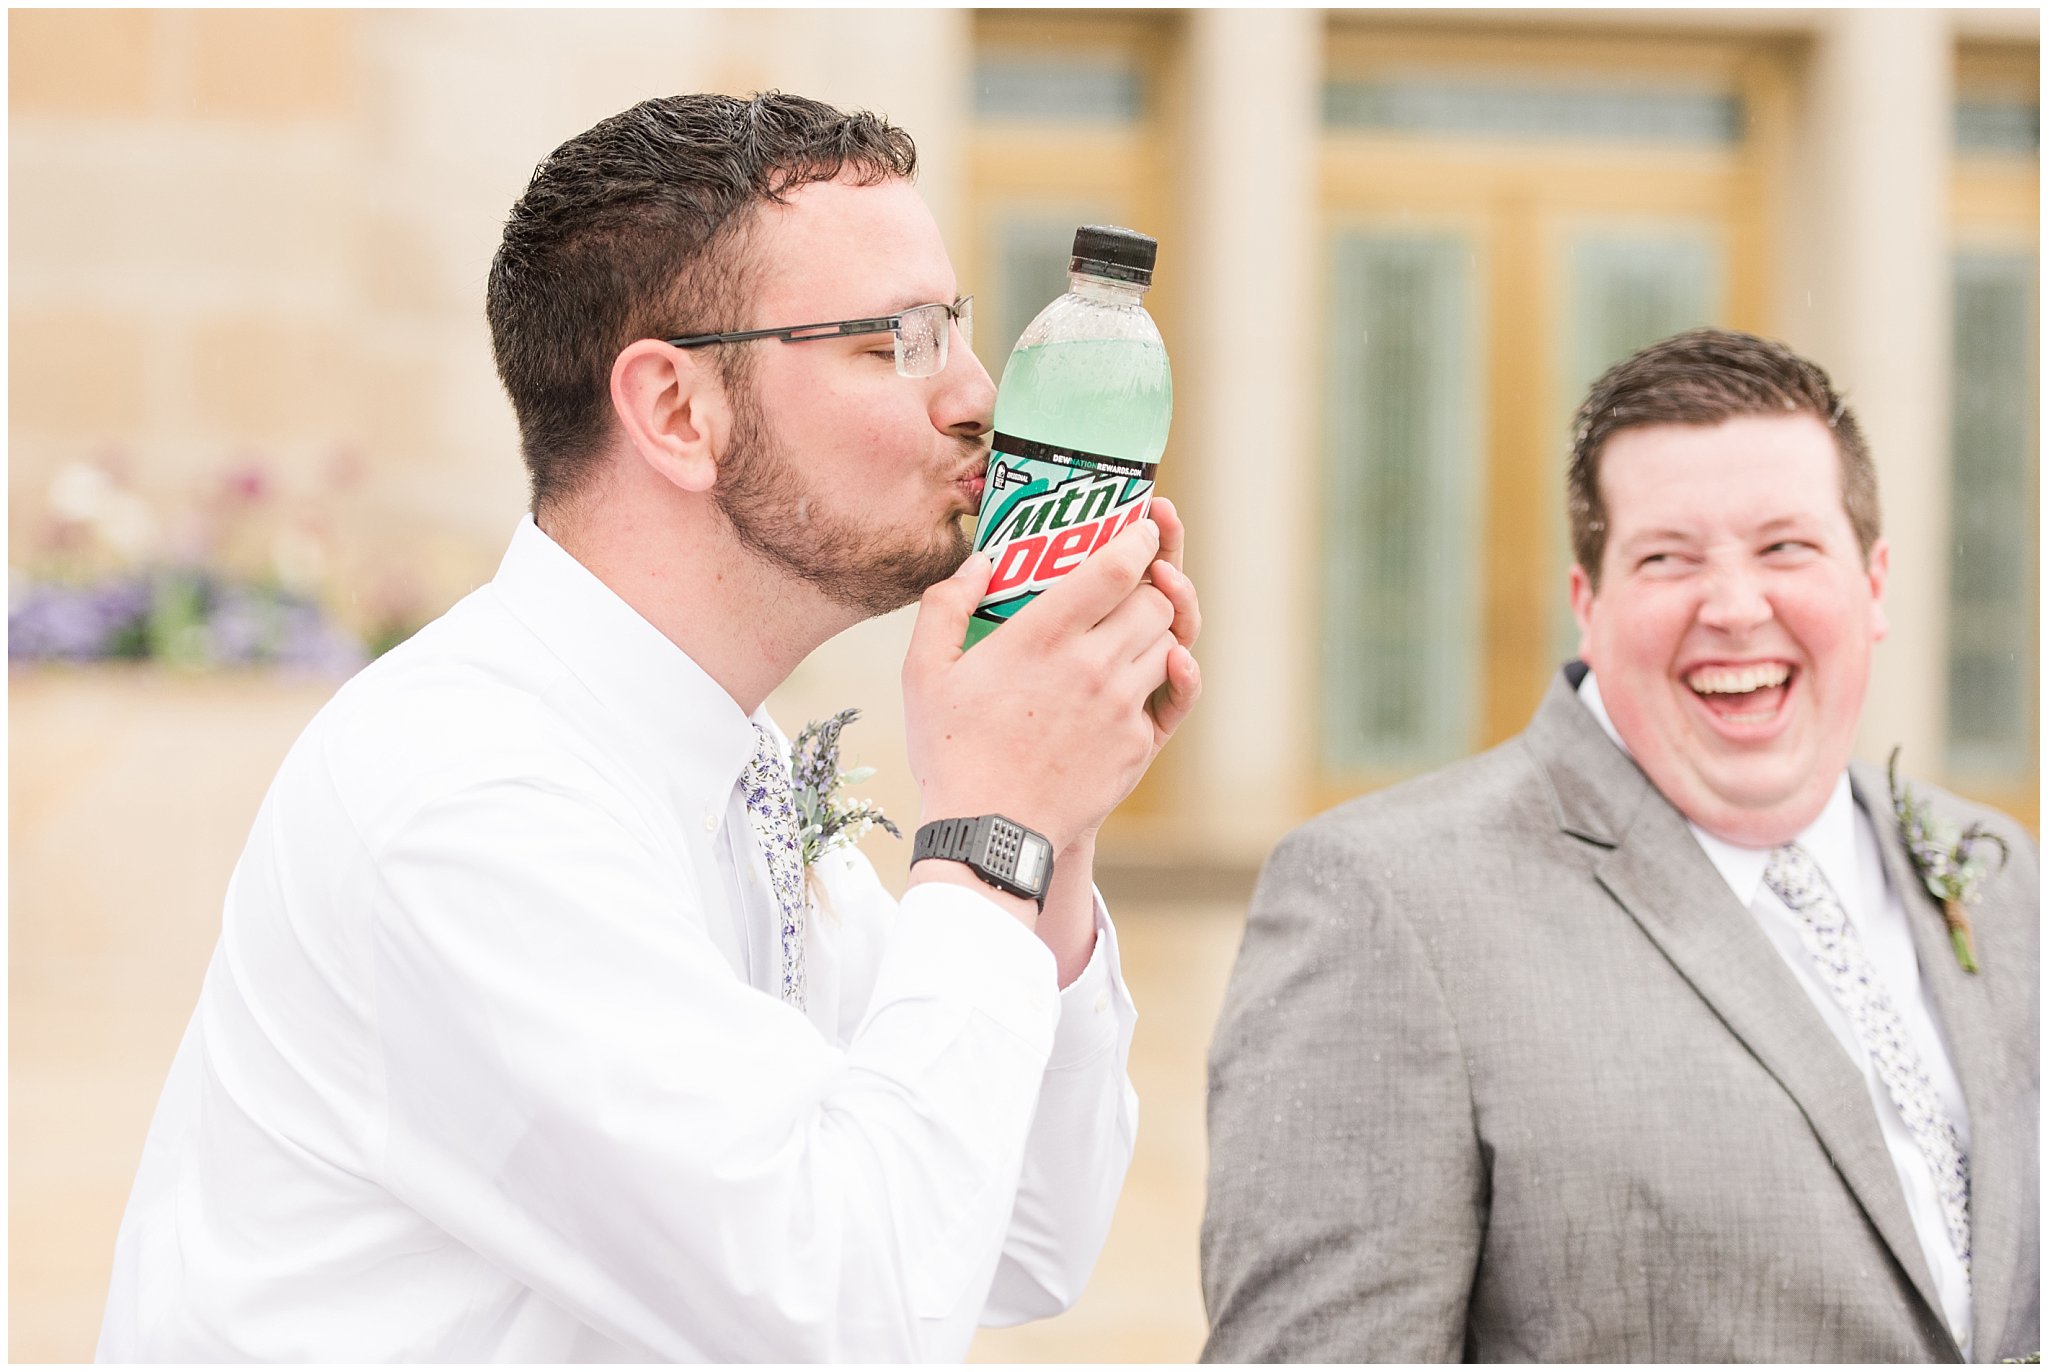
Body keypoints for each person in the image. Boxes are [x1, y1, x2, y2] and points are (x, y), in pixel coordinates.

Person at [97, 92, 1201, 1361]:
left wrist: (1051, 826)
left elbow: (1015, 1237)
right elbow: (848, 1320)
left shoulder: (735, 762)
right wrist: (993, 822)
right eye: (897, 339)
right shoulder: (466, 792)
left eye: (952, 327)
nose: (978, 395)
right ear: (677, 410)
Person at [1202, 328, 2036, 1362]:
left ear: (1871, 584)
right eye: (1665, 558)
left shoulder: (1999, 871)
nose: (1733, 608)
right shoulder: (1385, 902)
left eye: (1784, 547)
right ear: (1586, 607)